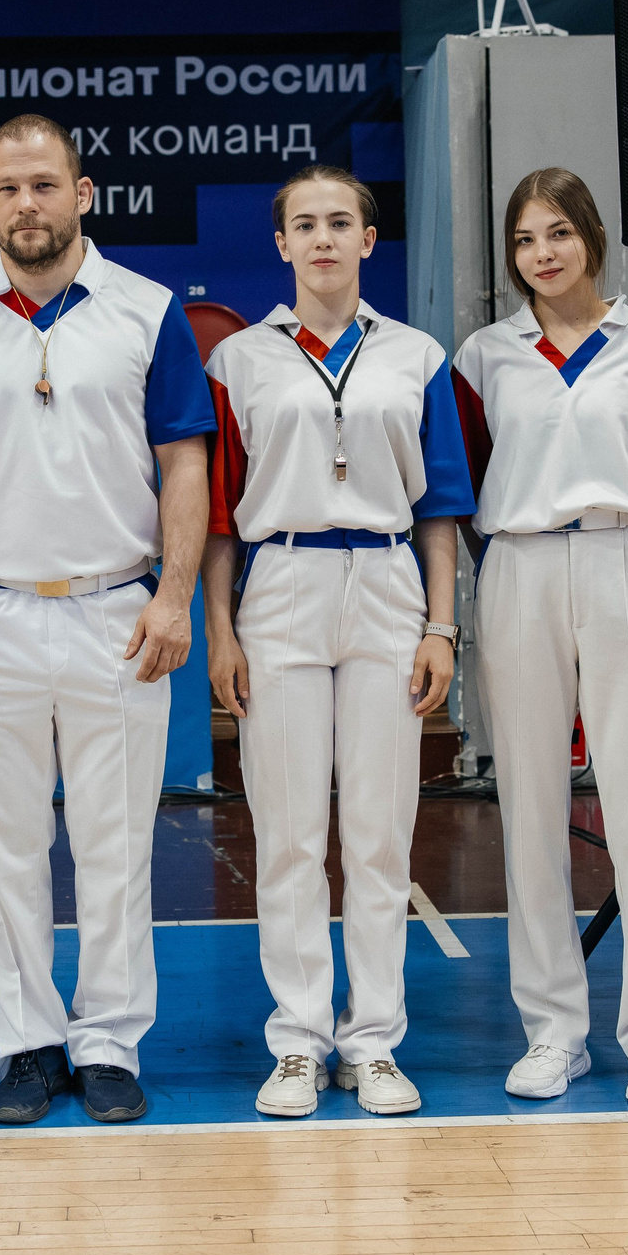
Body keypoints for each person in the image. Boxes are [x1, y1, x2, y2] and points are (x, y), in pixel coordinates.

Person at [0, 113, 213, 1126]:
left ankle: (109, 1038)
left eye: (45, 185)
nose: (28, 204)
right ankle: (26, 1037)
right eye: (8, 188)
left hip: (118, 608)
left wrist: (175, 593)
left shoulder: (147, 311)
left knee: (116, 844)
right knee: (6, 845)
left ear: (84, 193)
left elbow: (185, 462)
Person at [203, 165, 471, 1119]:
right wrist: (219, 632)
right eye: (304, 224)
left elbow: (439, 504)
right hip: (279, 581)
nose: (323, 238)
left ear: (369, 238)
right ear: (280, 245)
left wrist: (441, 624)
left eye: (341, 222)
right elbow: (218, 520)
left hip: (391, 583)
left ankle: (375, 1042)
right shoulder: (238, 361)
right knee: (286, 833)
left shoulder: (418, 356)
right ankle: (299, 1042)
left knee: (379, 833)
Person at [451, 168, 628, 1108]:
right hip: (515, 564)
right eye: (524, 240)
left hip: (621, 558)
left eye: (558, 233)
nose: (542, 254)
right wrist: (515, 556)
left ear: (592, 236)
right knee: (526, 804)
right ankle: (554, 1031)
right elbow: (465, 482)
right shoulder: (483, 357)